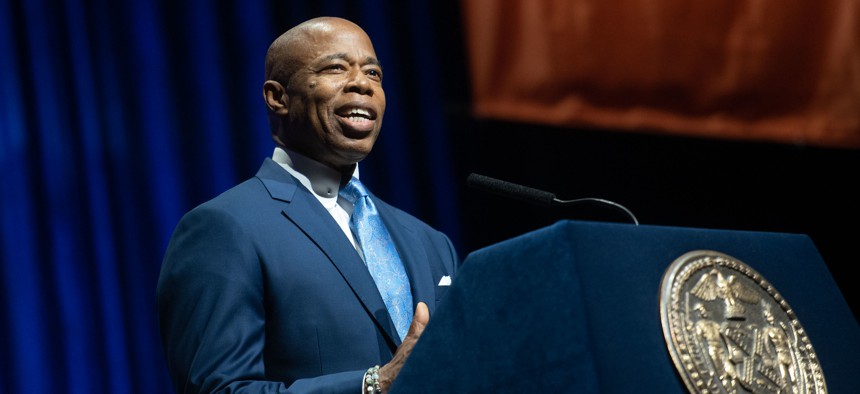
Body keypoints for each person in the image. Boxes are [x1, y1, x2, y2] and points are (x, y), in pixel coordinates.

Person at [156, 16, 459, 393]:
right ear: (277, 96)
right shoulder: (224, 228)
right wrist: (372, 385)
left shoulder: (431, 242)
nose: (361, 84)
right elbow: (219, 389)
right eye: (336, 68)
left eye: (374, 74)